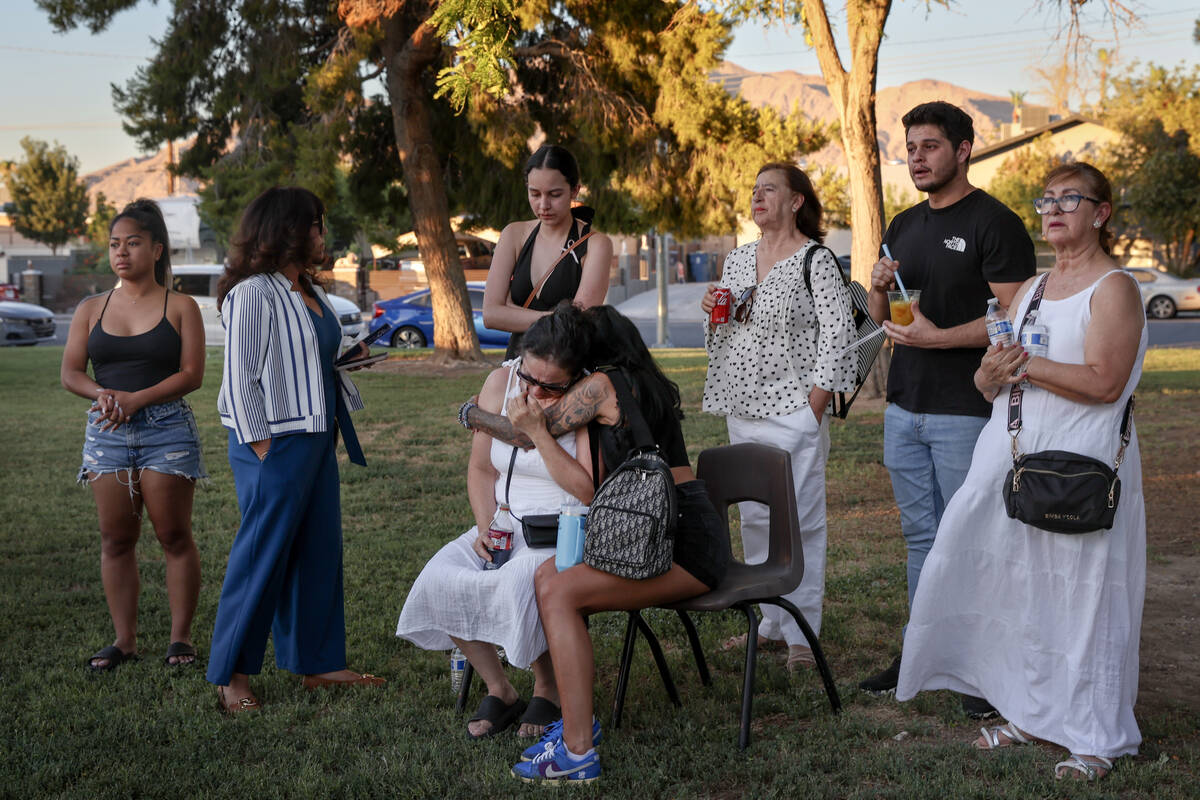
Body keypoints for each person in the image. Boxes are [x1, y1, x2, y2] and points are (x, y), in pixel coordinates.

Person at [896, 162, 1146, 782]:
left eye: (1071, 199)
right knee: (1026, 592)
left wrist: (1024, 364)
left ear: (1101, 213)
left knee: (1085, 599)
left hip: (1081, 465)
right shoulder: (1031, 287)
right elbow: (991, 380)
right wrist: (990, 373)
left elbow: (1105, 382)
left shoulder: (1114, 287)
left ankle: (1095, 734)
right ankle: (1031, 712)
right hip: (1014, 455)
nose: (1054, 208)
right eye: (1047, 199)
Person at [464, 305, 729, 785]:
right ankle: (575, 723)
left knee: (560, 591)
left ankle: (577, 752)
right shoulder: (638, 381)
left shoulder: (601, 385)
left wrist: (473, 413)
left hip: (680, 543)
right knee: (549, 578)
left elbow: (526, 435)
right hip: (674, 528)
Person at [858, 102, 1037, 711]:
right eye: (910, 147)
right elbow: (880, 323)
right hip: (904, 408)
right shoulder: (904, 226)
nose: (917, 157)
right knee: (920, 539)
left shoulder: (995, 223)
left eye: (930, 146)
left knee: (973, 538)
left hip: (969, 409)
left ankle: (981, 670)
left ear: (963, 150)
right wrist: (878, 290)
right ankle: (922, 652)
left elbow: (1017, 321)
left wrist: (937, 338)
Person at [207, 186, 382, 713]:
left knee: (318, 550)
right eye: (315, 225)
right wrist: (264, 448)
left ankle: (320, 664)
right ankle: (231, 674)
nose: (321, 235)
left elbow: (305, 361)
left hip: (317, 435)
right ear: (287, 230)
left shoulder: (308, 289)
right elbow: (241, 379)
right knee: (262, 558)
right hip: (273, 442)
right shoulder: (252, 294)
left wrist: (352, 356)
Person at [397, 306, 595, 739]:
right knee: (441, 576)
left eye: (550, 385)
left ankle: (548, 686)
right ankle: (499, 687)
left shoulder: (585, 398)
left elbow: (586, 490)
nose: (536, 391)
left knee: (516, 582)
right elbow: (482, 469)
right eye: (529, 377)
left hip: (557, 531)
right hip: (503, 521)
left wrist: (541, 431)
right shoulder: (498, 383)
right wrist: (485, 527)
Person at [698, 162, 856, 671]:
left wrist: (814, 405)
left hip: (794, 410)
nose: (757, 196)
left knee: (800, 519)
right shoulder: (739, 260)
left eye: (769, 189)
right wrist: (713, 308)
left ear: (795, 202)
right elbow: (732, 325)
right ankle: (769, 622)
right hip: (742, 407)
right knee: (755, 516)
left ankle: (802, 635)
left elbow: (838, 333)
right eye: (754, 188)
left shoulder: (817, 260)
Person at [61, 199, 207, 672]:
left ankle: (179, 640)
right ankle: (124, 641)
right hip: (106, 431)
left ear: (158, 249)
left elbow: (192, 375)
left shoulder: (181, 306)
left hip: (167, 430)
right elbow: (70, 373)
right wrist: (104, 393)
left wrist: (136, 399)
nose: (121, 252)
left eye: (134, 243)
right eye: (114, 244)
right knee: (115, 539)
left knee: (172, 534)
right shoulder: (91, 308)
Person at [482, 144, 613, 359]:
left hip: (568, 367)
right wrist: (554, 318)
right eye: (534, 194)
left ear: (574, 190)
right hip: (517, 365)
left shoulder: (596, 244)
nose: (543, 205)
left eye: (554, 195)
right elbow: (491, 315)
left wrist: (513, 311)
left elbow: (578, 324)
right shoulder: (514, 234)